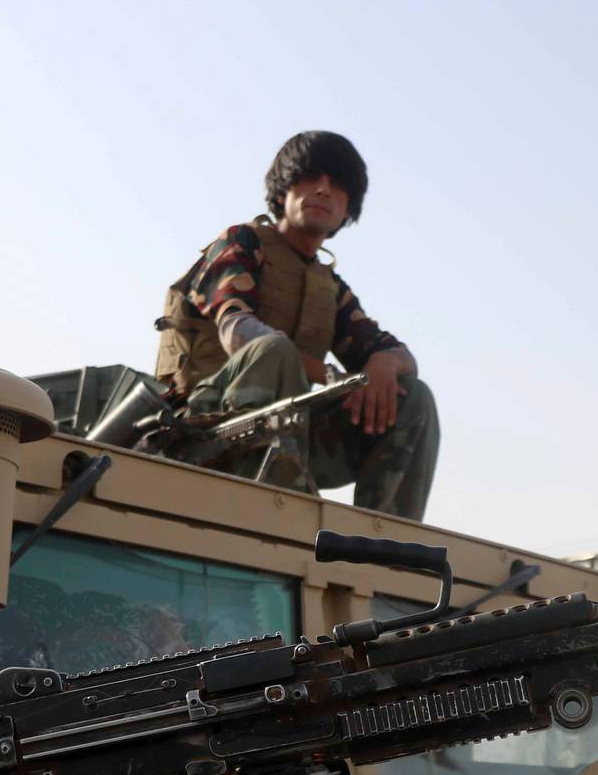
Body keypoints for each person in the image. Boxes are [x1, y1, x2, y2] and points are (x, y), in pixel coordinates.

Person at [154, 130, 441, 520]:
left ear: (348, 208)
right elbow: (238, 331)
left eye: (338, 185)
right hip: (207, 426)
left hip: (291, 432)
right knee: (273, 351)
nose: (324, 190)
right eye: (311, 177)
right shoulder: (243, 242)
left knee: (412, 397)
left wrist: (384, 366)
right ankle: (274, 510)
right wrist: (327, 375)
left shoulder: (329, 287)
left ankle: (384, 546)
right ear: (283, 190)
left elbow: (391, 350)